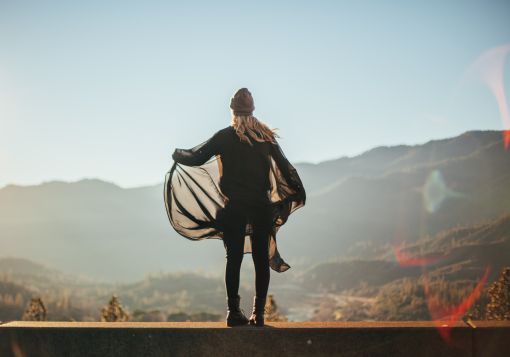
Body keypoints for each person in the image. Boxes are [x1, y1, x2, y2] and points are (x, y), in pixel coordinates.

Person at [165, 88, 306, 327]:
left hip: (234, 209)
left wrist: (177, 154)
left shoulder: (224, 136)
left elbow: (196, 157)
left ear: (232, 111)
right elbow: (285, 168)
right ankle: (258, 314)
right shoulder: (265, 138)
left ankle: (233, 313)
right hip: (262, 208)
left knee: (234, 259)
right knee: (261, 259)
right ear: (252, 111)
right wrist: (296, 192)